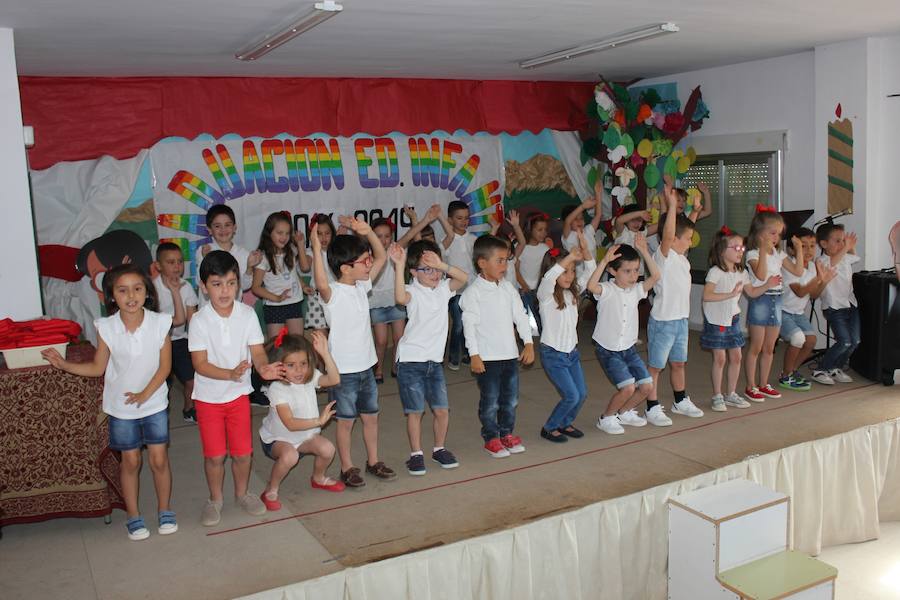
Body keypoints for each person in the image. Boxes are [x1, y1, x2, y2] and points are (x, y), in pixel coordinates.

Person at [42, 264, 176, 541]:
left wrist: (145, 394)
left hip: (154, 404)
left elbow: (165, 368)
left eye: (137, 289)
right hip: (121, 407)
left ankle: (165, 510)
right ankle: (134, 515)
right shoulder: (107, 327)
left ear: (146, 292)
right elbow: (97, 368)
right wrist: (64, 364)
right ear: (112, 296)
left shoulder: (160, 322)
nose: (131, 296)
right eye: (122, 290)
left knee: (159, 459)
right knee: (130, 460)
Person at [189, 250, 286, 526]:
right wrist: (229, 374)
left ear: (238, 285)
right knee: (216, 456)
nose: (225, 290)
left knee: (243, 453)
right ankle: (215, 499)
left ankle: (243, 494)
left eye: (231, 283)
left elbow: (257, 352)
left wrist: (265, 367)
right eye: (217, 284)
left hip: (238, 397)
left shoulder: (246, 314)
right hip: (208, 399)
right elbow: (200, 363)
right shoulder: (199, 320)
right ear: (205, 287)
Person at [312, 215, 397, 487]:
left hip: (367, 368)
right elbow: (321, 282)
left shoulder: (362, 285)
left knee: (371, 417)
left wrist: (368, 232)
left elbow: (382, 257)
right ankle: (347, 467)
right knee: (345, 422)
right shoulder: (333, 294)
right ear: (346, 268)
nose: (369, 263)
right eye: (363, 261)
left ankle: (373, 462)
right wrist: (316, 250)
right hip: (343, 373)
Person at [390, 239, 468, 474]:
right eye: (427, 268)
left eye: (436, 268)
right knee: (415, 411)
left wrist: (442, 265)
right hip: (411, 361)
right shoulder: (412, 291)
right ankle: (416, 454)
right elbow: (400, 298)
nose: (433, 274)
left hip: (434, 363)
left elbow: (463, 278)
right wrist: (399, 265)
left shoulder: (443, 289)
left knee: (442, 410)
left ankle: (439, 449)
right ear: (414, 272)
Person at [461, 235, 535, 457]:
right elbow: (469, 326)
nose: (505, 265)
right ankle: (491, 437)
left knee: (510, 400)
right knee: (491, 401)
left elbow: (521, 317)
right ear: (482, 263)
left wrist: (529, 343)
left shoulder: (508, 289)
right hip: (487, 359)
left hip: (510, 357)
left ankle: (506, 433)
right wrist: (474, 354)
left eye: (506, 260)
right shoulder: (472, 293)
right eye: (500, 260)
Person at [258, 330, 344, 511]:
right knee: (290, 456)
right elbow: (289, 423)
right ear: (279, 366)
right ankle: (270, 489)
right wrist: (318, 421)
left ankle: (318, 478)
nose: (299, 370)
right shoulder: (277, 388)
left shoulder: (309, 377)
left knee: (328, 449)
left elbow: (334, 379)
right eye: (291, 365)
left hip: (305, 437)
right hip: (277, 440)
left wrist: (326, 354)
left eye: (303, 363)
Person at [587, 236, 660, 434]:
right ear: (613, 271)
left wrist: (644, 251)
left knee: (646, 386)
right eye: (627, 271)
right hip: (608, 350)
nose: (633, 275)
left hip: (628, 348)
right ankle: (606, 418)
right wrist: (603, 261)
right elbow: (591, 286)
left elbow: (655, 277)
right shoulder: (607, 290)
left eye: (636, 270)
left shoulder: (636, 290)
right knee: (627, 388)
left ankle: (625, 412)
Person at [645, 183, 704, 425]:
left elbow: (683, 230)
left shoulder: (681, 259)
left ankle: (680, 400)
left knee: (679, 362)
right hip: (663, 321)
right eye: (688, 239)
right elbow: (670, 234)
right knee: (656, 367)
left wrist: (695, 212)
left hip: (680, 320)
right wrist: (670, 207)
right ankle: (651, 406)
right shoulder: (664, 256)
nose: (690, 242)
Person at [701, 228, 774, 411]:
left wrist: (768, 285)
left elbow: (752, 292)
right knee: (719, 358)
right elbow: (707, 296)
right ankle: (717, 395)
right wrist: (730, 294)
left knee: (736, 356)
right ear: (722, 250)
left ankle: (731, 393)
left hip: (732, 318)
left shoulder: (742, 272)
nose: (740, 251)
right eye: (736, 248)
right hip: (716, 321)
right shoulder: (715, 272)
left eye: (742, 248)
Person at [536, 232, 596, 442]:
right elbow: (550, 277)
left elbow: (590, 271)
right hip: (553, 354)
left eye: (572, 271)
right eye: (565, 271)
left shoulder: (573, 293)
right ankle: (550, 427)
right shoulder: (545, 295)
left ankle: (565, 422)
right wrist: (569, 257)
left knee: (581, 393)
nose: (569, 275)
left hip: (572, 353)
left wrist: (586, 252)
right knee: (571, 395)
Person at [743, 207, 805, 402]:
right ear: (759, 232)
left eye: (779, 234)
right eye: (772, 233)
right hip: (761, 300)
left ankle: (764, 384)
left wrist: (800, 249)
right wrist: (763, 250)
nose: (776, 237)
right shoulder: (752, 254)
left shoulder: (779, 254)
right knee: (756, 347)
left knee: (770, 348)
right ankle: (750, 386)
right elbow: (761, 275)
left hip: (777, 300)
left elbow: (798, 271)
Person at [778, 228, 836, 390]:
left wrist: (824, 281)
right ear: (791, 249)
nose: (809, 250)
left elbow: (814, 295)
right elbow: (800, 291)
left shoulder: (811, 266)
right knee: (798, 339)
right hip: (783, 312)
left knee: (810, 341)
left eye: (812, 246)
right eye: (803, 246)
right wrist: (818, 277)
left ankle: (791, 370)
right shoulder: (788, 267)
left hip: (798, 313)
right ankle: (785, 377)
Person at [153, 242, 199, 423]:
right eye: (171, 262)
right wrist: (173, 292)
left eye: (180, 262)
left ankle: (189, 408)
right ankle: (158, 413)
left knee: (192, 381)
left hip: (180, 341)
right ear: (158, 266)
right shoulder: (152, 288)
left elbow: (192, 320)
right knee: (161, 384)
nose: (177, 266)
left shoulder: (185, 287)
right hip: (158, 343)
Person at [811, 224, 861, 384]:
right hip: (834, 307)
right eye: (837, 240)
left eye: (843, 240)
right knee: (844, 341)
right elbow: (833, 263)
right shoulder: (821, 260)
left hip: (850, 304)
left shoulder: (844, 256)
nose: (842, 244)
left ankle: (835, 368)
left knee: (855, 341)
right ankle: (820, 370)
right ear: (824, 244)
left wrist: (850, 247)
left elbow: (854, 257)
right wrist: (845, 247)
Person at [251, 211, 310, 339]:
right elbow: (256, 287)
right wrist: (276, 298)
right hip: (274, 306)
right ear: (269, 232)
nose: (284, 237)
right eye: (279, 233)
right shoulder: (263, 257)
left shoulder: (291, 251)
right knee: (276, 344)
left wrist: (304, 286)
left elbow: (301, 270)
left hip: (294, 302)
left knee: (297, 342)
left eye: (287, 233)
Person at [436, 200, 477, 370]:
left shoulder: (473, 239)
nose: (464, 221)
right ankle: (454, 357)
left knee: (470, 322)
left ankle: (468, 352)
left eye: (466, 218)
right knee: (458, 324)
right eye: (459, 218)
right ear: (450, 220)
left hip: (472, 288)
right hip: (454, 289)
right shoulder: (446, 241)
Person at [195, 204, 261, 306]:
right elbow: (198, 281)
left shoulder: (244, 254)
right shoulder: (204, 250)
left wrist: (249, 267)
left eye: (227, 225)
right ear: (209, 229)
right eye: (217, 226)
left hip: (233, 311)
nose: (223, 230)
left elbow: (244, 286)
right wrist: (205, 259)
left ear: (234, 227)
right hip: (208, 312)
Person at [368, 217, 407, 383]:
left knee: (400, 337)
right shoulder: (369, 255)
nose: (383, 240)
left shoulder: (395, 249)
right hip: (376, 303)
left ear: (392, 237)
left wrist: (425, 219)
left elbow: (410, 234)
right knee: (381, 341)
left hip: (395, 300)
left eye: (386, 236)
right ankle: (378, 368)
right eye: (378, 236)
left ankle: (395, 366)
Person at [561, 180, 603, 280]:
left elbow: (598, 215)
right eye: (575, 219)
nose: (579, 221)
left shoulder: (588, 231)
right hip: (578, 279)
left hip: (593, 277)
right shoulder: (568, 235)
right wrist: (583, 206)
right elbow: (567, 221)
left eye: (581, 218)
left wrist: (598, 194)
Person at [516, 212, 550, 334]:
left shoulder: (545, 248)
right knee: (523, 317)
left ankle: (545, 340)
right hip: (523, 289)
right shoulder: (521, 248)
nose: (543, 233)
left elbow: (547, 269)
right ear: (530, 229)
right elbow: (515, 269)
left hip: (539, 288)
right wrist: (523, 286)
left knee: (541, 316)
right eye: (539, 229)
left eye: (545, 230)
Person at [302, 214, 337, 332]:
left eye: (327, 233)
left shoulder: (337, 251)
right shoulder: (310, 252)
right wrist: (300, 245)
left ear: (333, 233)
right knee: (320, 337)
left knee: (337, 334)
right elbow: (304, 267)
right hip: (317, 298)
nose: (323, 238)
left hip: (336, 295)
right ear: (312, 236)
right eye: (319, 234)